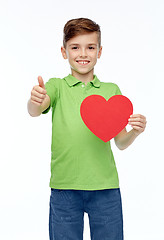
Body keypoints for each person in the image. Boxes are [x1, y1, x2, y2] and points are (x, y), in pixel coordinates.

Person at [27, 18, 147, 240]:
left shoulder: (112, 91)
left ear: (99, 51)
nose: (83, 53)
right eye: (75, 47)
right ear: (64, 52)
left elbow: (120, 142)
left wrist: (135, 132)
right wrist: (35, 99)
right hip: (64, 188)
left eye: (90, 47)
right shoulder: (56, 86)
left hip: (105, 189)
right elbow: (35, 110)